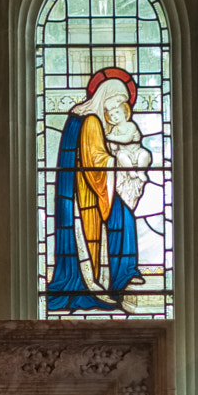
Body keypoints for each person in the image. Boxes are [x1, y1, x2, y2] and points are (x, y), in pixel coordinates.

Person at [47, 66, 141, 311]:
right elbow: (95, 162)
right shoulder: (89, 120)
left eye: (120, 106)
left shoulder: (79, 117)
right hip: (86, 195)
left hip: (79, 191)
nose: (113, 113)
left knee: (123, 219)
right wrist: (117, 160)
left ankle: (122, 276)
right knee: (122, 220)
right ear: (104, 98)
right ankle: (101, 282)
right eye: (113, 105)